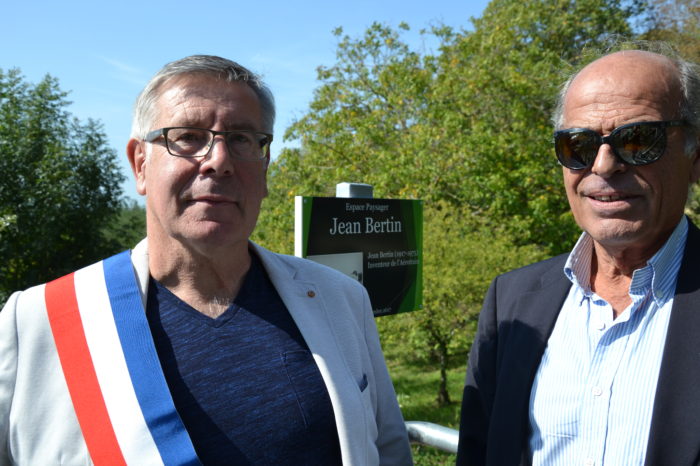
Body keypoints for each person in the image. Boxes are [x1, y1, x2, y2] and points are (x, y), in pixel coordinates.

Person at [0, 55, 412, 465]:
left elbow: (389, 451)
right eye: (189, 136)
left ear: (265, 167)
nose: (218, 160)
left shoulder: (340, 299)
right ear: (140, 164)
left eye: (242, 139)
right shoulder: (41, 321)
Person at [456, 43, 700, 466]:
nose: (603, 166)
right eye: (578, 145)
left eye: (638, 139)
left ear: (695, 157)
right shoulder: (512, 301)